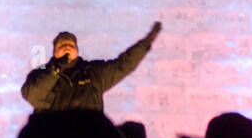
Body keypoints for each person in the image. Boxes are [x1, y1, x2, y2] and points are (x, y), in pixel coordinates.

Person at [21, 23, 161, 112]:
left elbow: (123, 65)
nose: (67, 48)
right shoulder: (40, 73)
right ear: (54, 52)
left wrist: (146, 42)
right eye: (62, 46)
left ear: (77, 51)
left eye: (71, 45)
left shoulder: (93, 73)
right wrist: (55, 69)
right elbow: (32, 96)